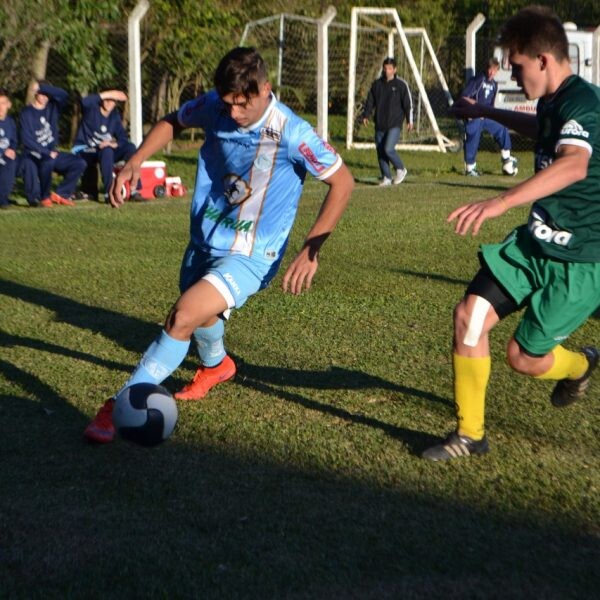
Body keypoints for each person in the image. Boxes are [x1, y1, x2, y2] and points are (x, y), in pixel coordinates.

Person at [84, 47, 354, 443]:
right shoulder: (215, 105)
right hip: (206, 237)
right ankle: (217, 365)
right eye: (228, 104)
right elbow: (174, 121)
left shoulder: (293, 133)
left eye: (243, 104)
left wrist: (311, 249)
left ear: (266, 88)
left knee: (183, 316)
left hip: (252, 254)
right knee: (201, 314)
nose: (234, 113)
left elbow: (342, 181)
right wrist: (136, 160)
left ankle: (123, 404)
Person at [422, 5, 600, 461]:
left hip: (579, 260)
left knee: (523, 358)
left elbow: (574, 163)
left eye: (518, 67)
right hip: (533, 244)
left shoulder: (584, 103)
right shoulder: (553, 101)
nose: (514, 77)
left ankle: (580, 364)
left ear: (543, 59)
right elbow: (541, 129)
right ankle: (469, 434)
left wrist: (499, 201)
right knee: (470, 316)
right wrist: (487, 110)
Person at [20, 81, 86, 207]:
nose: (45, 97)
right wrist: (46, 152)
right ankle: (45, 197)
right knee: (48, 161)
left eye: (47, 94)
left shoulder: (52, 107)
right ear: (36, 94)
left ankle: (61, 194)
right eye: (42, 94)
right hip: (36, 153)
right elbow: (27, 140)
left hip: (52, 152)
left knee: (79, 163)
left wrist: (44, 87)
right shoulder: (26, 112)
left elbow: (64, 94)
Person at [72, 90, 139, 202]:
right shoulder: (92, 110)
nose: (109, 103)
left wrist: (114, 144)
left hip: (104, 150)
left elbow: (122, 136)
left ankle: (134, 190)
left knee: (130, 148)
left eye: (112, 101)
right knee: (106, 150)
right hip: (85, 149)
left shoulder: (114, 116)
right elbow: (84, 102)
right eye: (107, 99)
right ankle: (109, 193)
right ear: (102, 100)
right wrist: (108, 94)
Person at [460, 57, 519, 177]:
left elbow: (491, 104)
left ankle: (506, 159)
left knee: (501, 127)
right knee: (473, 138)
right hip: (475, 115)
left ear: (497, 70)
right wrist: (474, 111)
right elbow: (464, 97)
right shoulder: (478, 80)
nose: (491, 73)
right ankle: (470, 168)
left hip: (486, 116)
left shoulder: (494, 84)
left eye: (494, 70)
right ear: (487, 68)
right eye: (489, 69)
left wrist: (493, 114)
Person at [361, 57, 413, 186]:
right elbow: (370, 101)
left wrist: (409, 120)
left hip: (394, 123)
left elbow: (408, 104)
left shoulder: (401, 85)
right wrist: (366, 115)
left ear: (395, 70)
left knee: (388, 148)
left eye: (390, 68)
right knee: (380, 151)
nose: (387, 71)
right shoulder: (377, 84)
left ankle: (400, 168)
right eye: (385, 68)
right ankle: (387, 177)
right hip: (380, 123)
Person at [0, 88, 18, 209]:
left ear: (9, 105)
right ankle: (2, 199)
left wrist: (12, 148)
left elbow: (14, 141)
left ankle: (35, 196)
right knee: (8, 163)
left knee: (27, 163)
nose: (0, 107)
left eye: (3, 103)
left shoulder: (10, 122)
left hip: (6, 156)